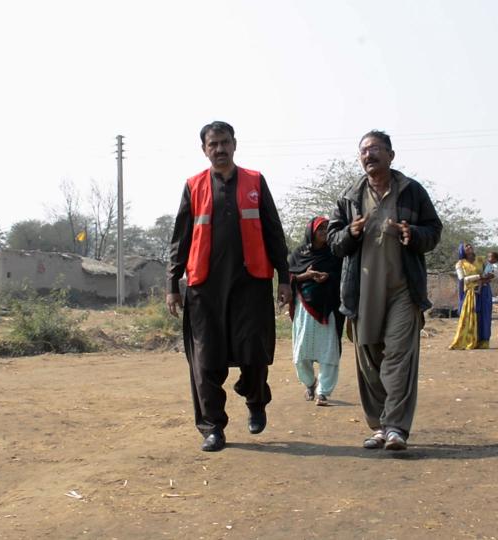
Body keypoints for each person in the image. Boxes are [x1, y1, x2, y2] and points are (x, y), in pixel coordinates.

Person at [167, 121, 291, 452]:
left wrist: (286, 279)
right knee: (206, 361)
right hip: (204, 287)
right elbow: (179, 238)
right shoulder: (193, 186)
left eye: (225, 142)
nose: (220, 149)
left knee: (254, 351)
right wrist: (171, 283)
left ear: (235, 144)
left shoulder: (254, 181)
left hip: (251, 284)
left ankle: (256, 399)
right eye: (213, 144)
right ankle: (212, 428)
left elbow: (273, 232)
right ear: (204, 149)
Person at [327, 130, 442, 451]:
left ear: (391, 155)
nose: (369, 155)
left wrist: (413, 234)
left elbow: (434, 232)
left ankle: (396, 428)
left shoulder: (412, 192)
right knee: (370, 361)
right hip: (362, 291)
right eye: (364, 150)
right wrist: (349, 232)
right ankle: (378, 426)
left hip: (404, 289)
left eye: (376, 149)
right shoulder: (350, 197)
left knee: (399, 357)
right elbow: (334, 243)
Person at [288, 216, 344, 406]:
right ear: (311, 232)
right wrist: (307, 275)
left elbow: (343, 275)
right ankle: (310, 383)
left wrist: (328, 276)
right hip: (304, 308)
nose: (324, 232)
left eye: (327, 229)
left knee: (328, 352)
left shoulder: (334, 254)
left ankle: (323, 392)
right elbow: (288, 276)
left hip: (328, 309)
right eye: (320, 229)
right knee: (301, 351)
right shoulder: (299, 254)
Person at [449, 242, 493, 350]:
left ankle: (483, 342)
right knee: (470, 317)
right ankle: (468, 340)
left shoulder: (481, 260)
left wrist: (488, 276)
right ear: (462, 251)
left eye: (470, 245)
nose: (469, 247)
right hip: (471, 293)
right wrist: (479, 276)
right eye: (466, 246)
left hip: (484, 291)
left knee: (484, 316)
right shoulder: (460, 264)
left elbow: (491, 272)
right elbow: (462, 279)